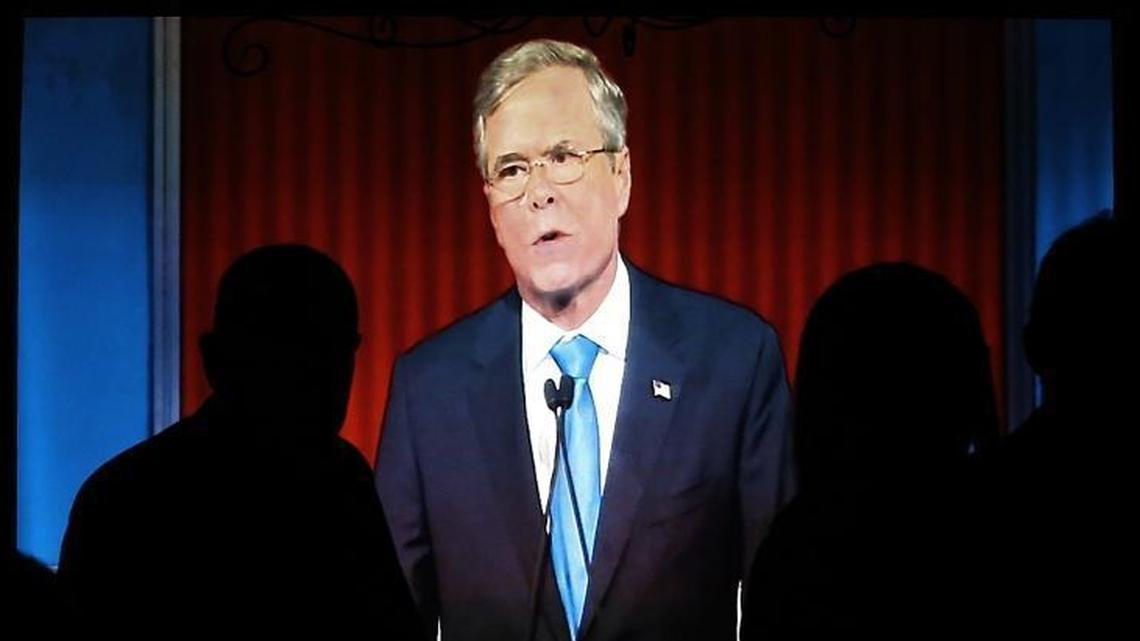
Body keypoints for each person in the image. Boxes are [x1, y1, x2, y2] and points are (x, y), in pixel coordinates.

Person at [375, 39, 794, 641]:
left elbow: (779, 600)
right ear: (490, 202)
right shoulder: (429, 388)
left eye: (565, 156)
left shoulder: (731, 359)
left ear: (621, 176)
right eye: (512, 169)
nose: (539, 191)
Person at [58, 244, 422, 637]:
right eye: (282, 352)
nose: (305, 378)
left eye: (326, 353)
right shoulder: (125, 501)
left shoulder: (345, 479)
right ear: (217, 359)